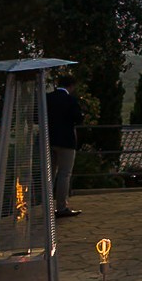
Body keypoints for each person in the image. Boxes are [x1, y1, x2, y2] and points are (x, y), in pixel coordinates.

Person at [46, 75, 84, 218]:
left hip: (49, 139)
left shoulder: (48, 98)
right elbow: (78, 118)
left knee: (50, 174)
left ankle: (47, 205)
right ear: (72, 85)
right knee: (64, 174)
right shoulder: (71, 100)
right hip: (66, 141)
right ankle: (61, 206)